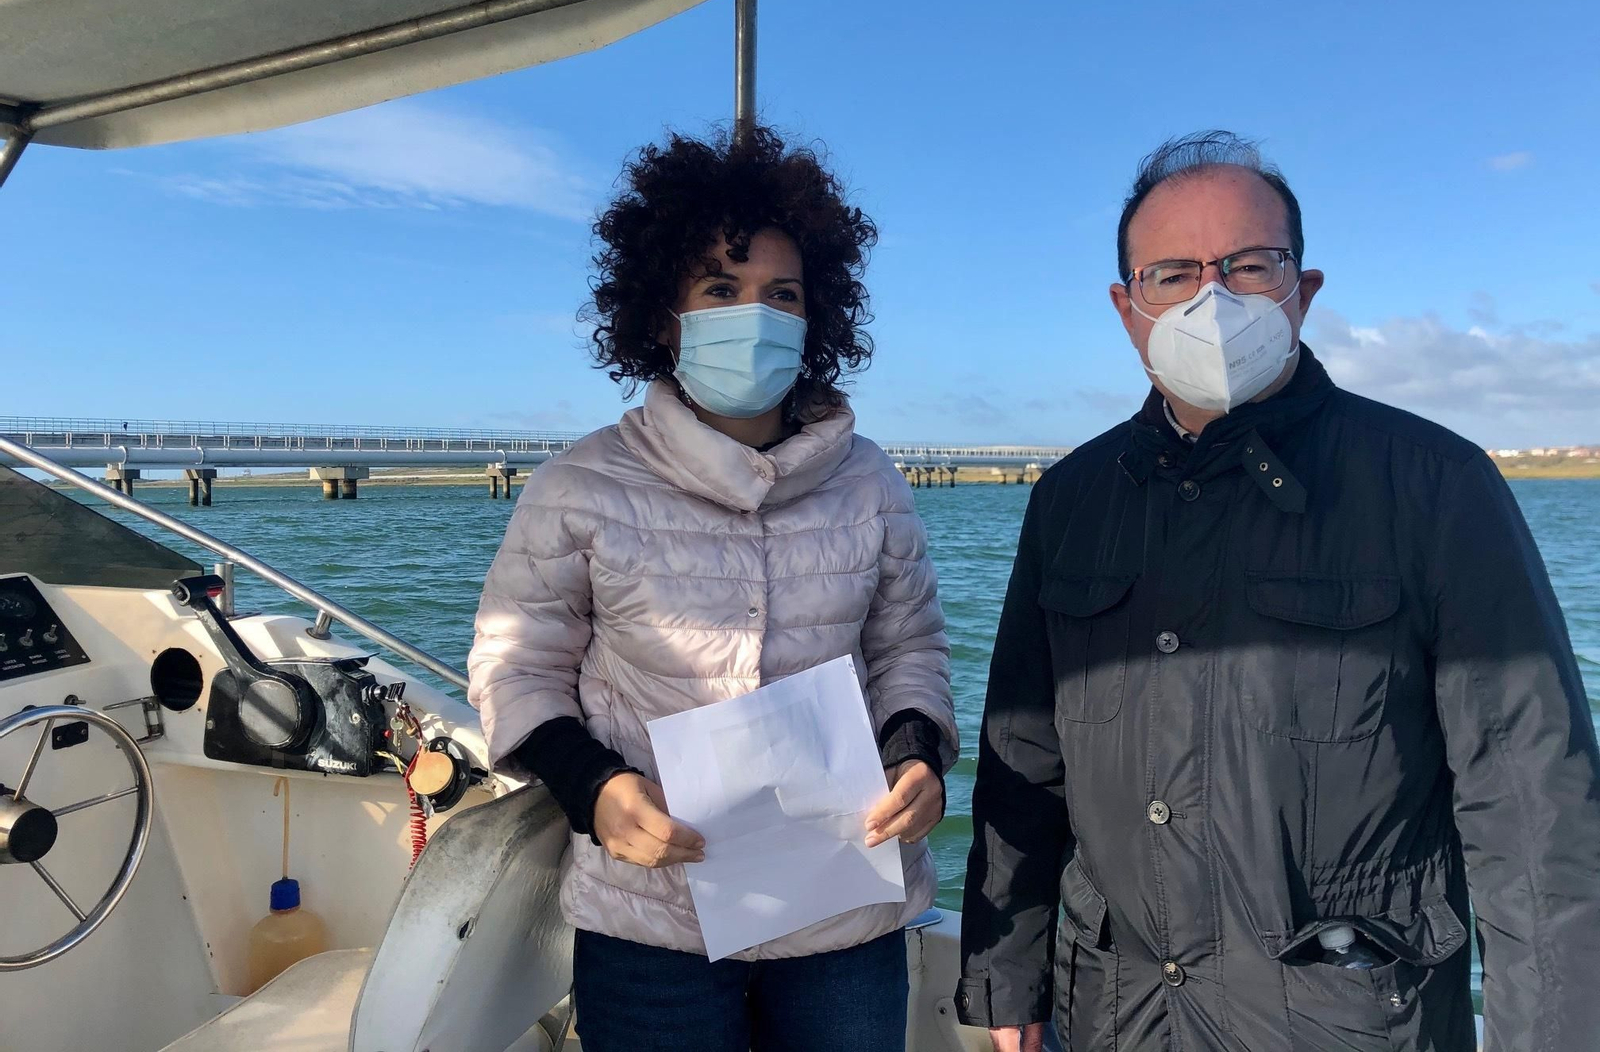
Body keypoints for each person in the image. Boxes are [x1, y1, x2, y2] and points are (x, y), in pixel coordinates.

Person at [957, 130, 1600, 1051]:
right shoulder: (1071, 499)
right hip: (1116, 1015)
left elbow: (1533, 806)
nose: (1211, 299)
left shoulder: (1435, 485)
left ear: (1305, 289)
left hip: (1350, 1021)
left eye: (1250, 266)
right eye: (1172, 274)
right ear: (1126, 307)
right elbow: (1024, 759)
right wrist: (1004, 976)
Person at [467, 127, 958, 1052]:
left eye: (784, 294)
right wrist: (594, 787)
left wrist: (918, 752)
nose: (756, 314)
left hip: (842, 914)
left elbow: (911, 650)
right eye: (721, 290)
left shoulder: (872, 482)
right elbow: (514, 665)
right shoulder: (579, 484)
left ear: (818, 318)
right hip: (650, 924)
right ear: (665, 314)